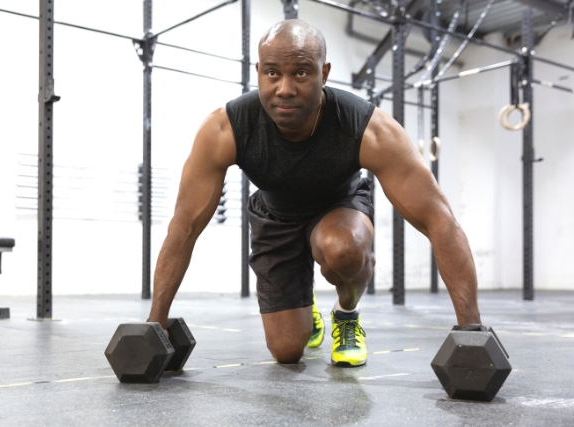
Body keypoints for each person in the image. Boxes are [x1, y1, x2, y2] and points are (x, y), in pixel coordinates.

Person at [146, 19, 481, 367]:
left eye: (302, 74)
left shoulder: (367, 129)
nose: (285, 88)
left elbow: (438, 219)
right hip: (274, 217)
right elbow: (183, 226)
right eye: (272, 74)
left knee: (343, 250)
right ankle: (304, 300)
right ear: (259, 72)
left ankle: (346, 313)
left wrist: (471, 329)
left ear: (325, 73)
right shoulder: (225, 129)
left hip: (339, 208)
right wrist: (157, 320)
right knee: (287, 351)